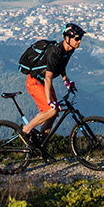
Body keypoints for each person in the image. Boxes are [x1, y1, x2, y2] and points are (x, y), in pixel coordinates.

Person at [21, 22, 86, 151]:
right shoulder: (54, 52)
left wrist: (66, 80)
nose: (79, 42)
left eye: (80, 39)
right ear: (67, 39)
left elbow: (62, 65)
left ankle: (39, 148)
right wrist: (50, 101)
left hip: (43, 82)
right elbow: (48, 77)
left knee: (53, 115)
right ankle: (25, 131)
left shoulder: (69, 50)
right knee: (52, 110)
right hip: (35, 82)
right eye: (77, 39)